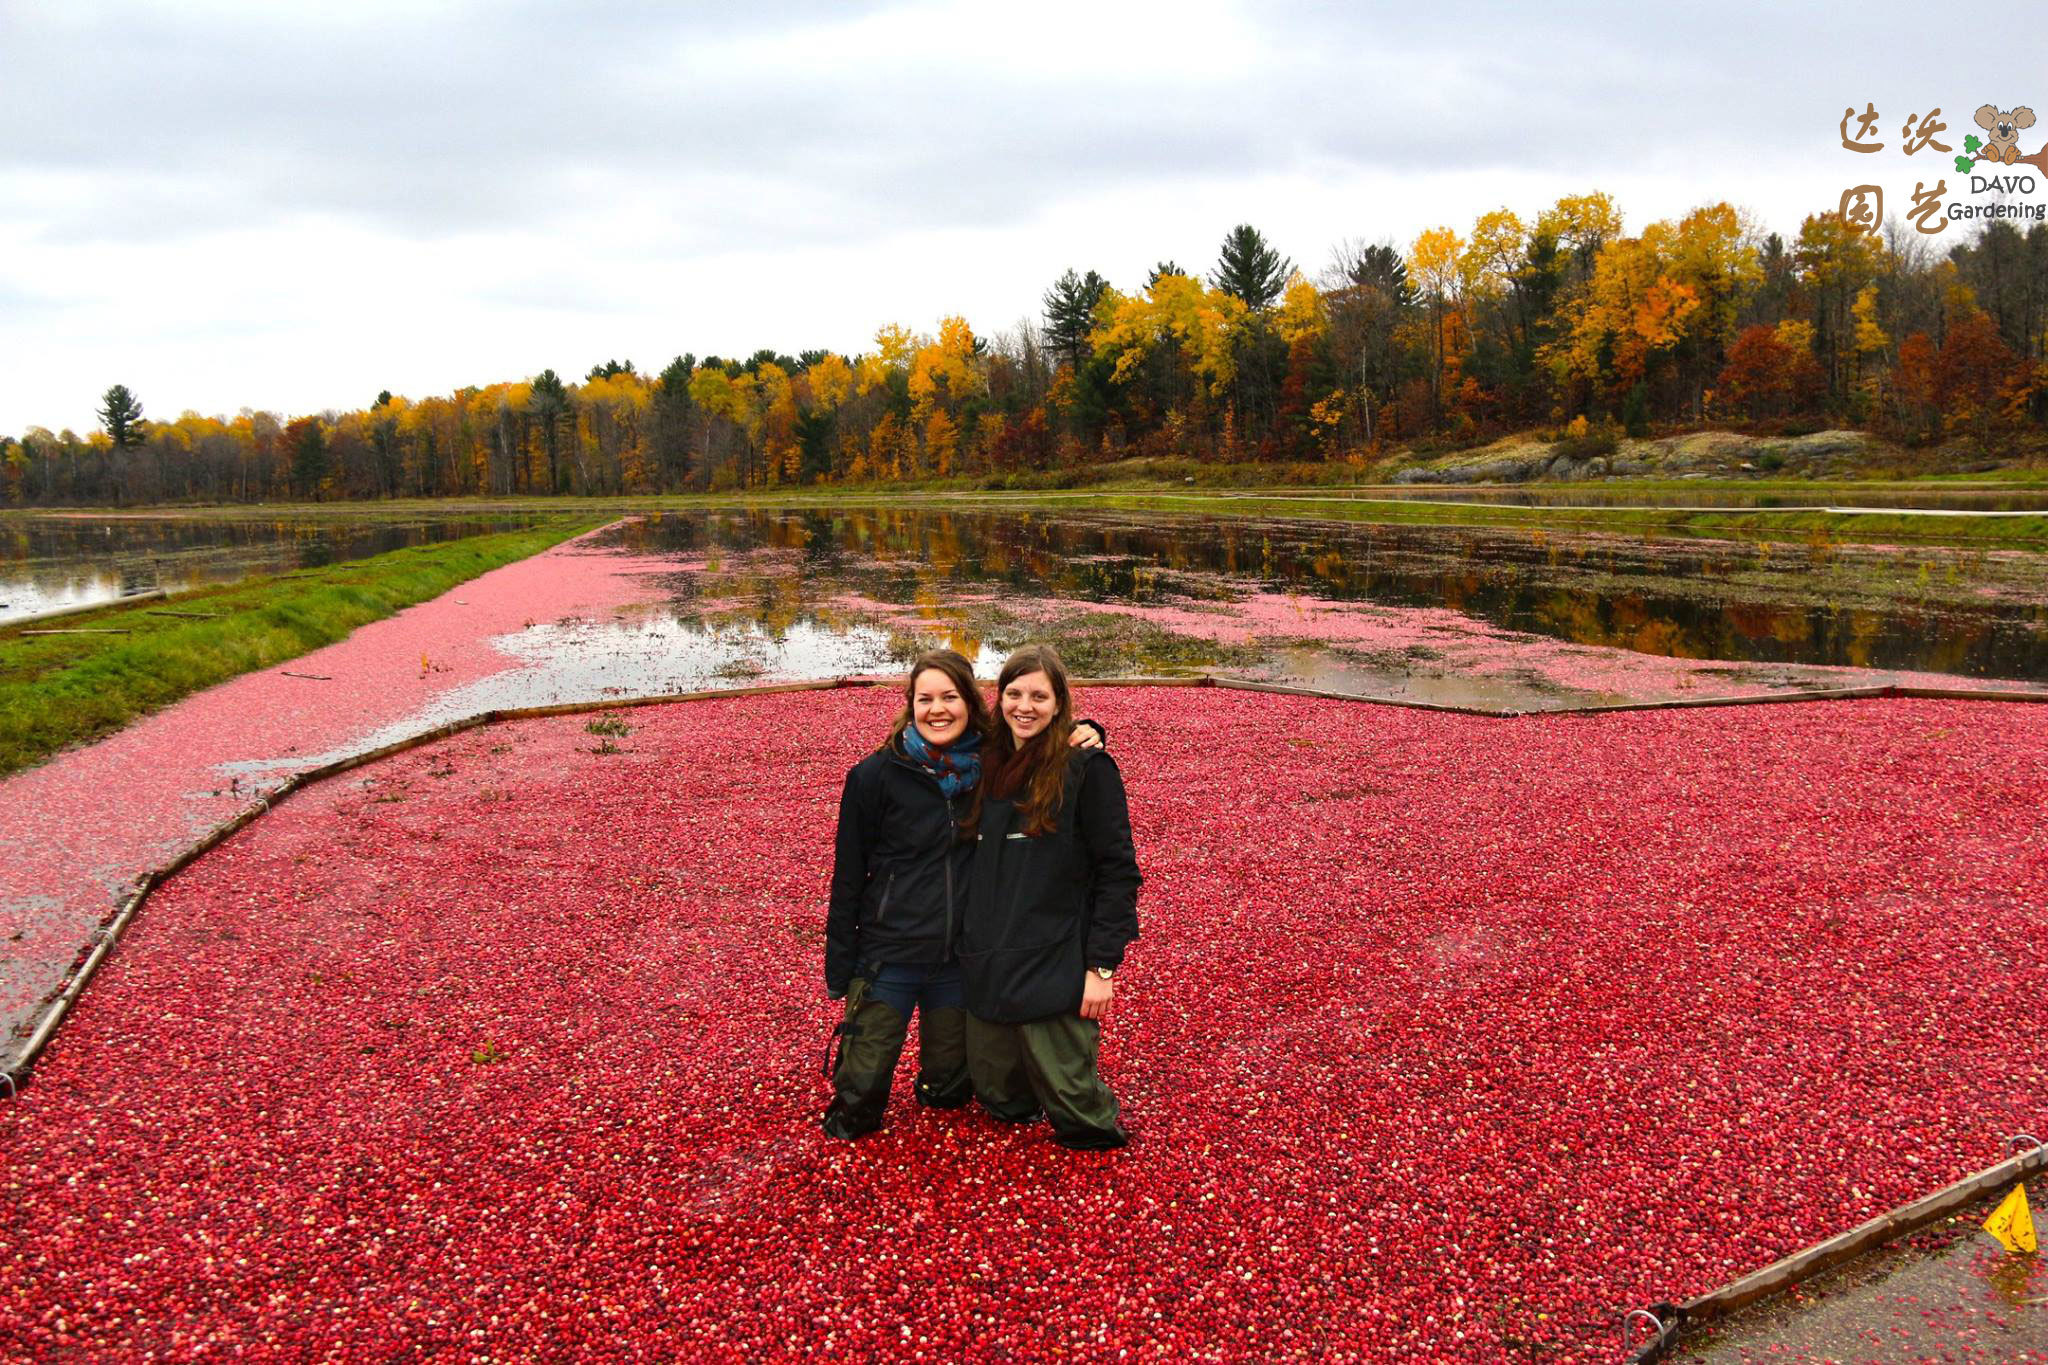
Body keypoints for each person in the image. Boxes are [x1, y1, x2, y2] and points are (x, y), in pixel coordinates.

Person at [822, 649, 1103, 1141]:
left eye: (950, 697)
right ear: (910, 705)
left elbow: (1043, 733)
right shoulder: (875, 777)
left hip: (958, 961)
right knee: (857, 1104)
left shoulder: (992, 763)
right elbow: (847, 878)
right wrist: (840, 965)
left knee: (949, 1091)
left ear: (970, 703)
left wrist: (1091, 729)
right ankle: (858, 1092)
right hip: (890, 954)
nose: (938, 710)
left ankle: (942, 1090)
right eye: (925, 699)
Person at [960, 644, 1140, 1152]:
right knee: (1002, 1104)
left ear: (1060, 703)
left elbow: (1118, 872)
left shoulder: (1086, 769)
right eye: (1014, 693)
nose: (1025, 705)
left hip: (1054, 958)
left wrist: (1101, 967)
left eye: (1040, 695)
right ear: (1000, 698)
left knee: (1084, 1123)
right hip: (987, 956)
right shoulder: (982, 760)